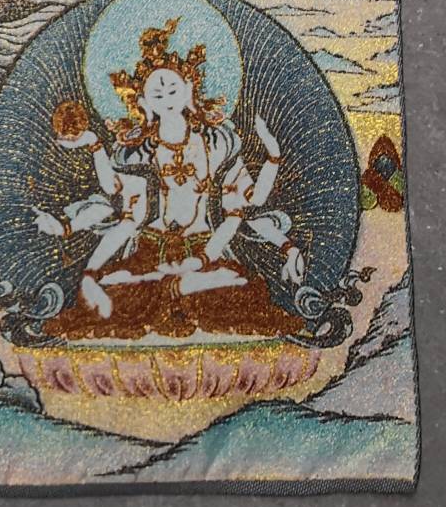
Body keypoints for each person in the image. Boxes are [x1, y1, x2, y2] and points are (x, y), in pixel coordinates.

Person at [37, 19, 306, 341]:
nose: (165, 95)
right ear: (143, 103)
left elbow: (249, 205)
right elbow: (122, 210)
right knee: (112, 285)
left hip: (205, 254)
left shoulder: (217, 146)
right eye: (156, 92)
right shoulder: (140, 155)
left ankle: (179, 287)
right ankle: (174, 288)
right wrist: (91, 272)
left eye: (173, 88)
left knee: (239, 285)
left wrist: (273, 157)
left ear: (190, 90)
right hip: (149, 256)